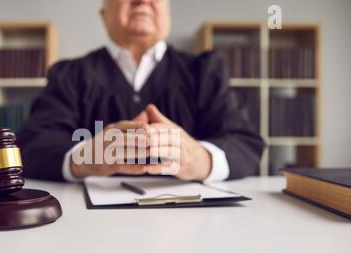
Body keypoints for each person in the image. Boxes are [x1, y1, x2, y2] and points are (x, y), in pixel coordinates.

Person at [17, 0, 265, 182]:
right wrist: (83, 157)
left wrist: (200, 159)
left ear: (167, 11)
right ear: (104, 15)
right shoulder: (69, 75)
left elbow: (245, 143)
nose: (143, 0)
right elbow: (34, 144)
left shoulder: (204, 72)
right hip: (91, 225)